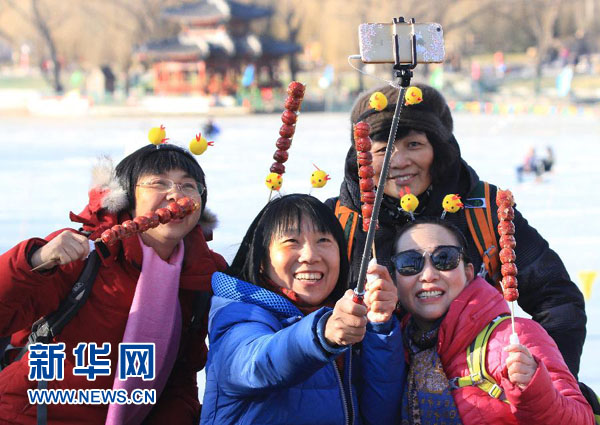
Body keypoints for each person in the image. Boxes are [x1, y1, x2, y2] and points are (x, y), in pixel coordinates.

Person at [326, 83, 586, 379]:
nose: (398, 162)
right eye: (382, 150)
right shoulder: (336, 222)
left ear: (439, 149)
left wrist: (549, 385)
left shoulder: (486, 209)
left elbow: (557, 299)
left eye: (414, 145)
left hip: (478, 396)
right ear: (361, 157)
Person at [0, 143, 227, 424]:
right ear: (127, 197)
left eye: (189, 186)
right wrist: (34, 260)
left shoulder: (203, 275)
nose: (175, 194)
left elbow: (180, 377)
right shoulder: (85, 252)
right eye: (159, 182)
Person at [200, 194, 404, 425]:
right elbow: (255, 365)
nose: (310, 256)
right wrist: (322, 335)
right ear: (261, 259)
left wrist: (379, 329)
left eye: (324, 241)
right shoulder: (239, 313)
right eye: (291, 242)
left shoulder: (346, 320)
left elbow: (381, 416)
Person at [393, 217, 594, 425]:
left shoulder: (514, 337)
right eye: (409, 263)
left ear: (469, 273)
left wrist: (534, 388)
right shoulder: (392, 349)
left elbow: (581, 420)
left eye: (444, 258)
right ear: (395, 279)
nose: (428, 275)